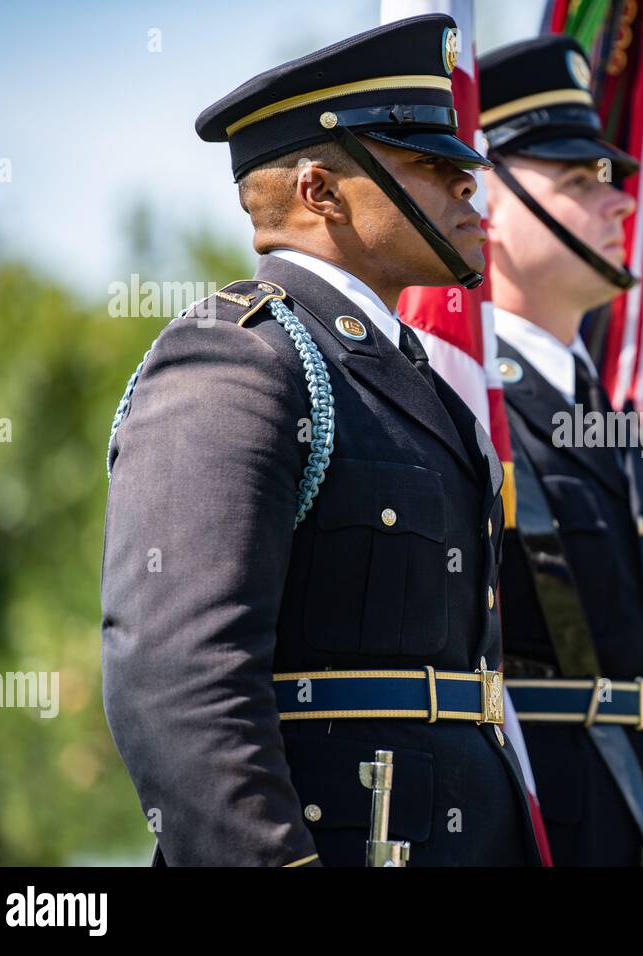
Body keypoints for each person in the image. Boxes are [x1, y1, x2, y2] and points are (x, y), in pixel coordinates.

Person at [101, 16, 540, 866]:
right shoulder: (238, 355)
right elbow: (178, 678)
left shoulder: (407, 375)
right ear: (320, 192)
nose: (468, 192)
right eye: (433, 167)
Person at [479, 35, 643, 866]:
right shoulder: (465, 397)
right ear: (484, 201)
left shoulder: (596, 402)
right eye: (577, 181)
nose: (623, 203)